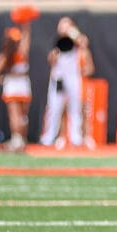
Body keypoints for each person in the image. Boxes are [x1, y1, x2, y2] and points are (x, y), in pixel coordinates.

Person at [40, 17, 94, 147]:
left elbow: (84, 42)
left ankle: (75, 137)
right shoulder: (56, 41)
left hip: (73, 77)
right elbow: (51, 59)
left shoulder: (76, 41)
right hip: (58, 78)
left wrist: (72, 33)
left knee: (75, 108)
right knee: (54, 107)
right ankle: (49, 136)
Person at [0, 24, 32, 151]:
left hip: (12, 85)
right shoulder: (21, 53)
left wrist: (3, 80)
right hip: (23, 84)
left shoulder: (4, 55)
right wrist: (26, 26)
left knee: (15, 114)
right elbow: (27, 40)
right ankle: (21, 139)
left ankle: (17, 139)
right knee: (23, 116)